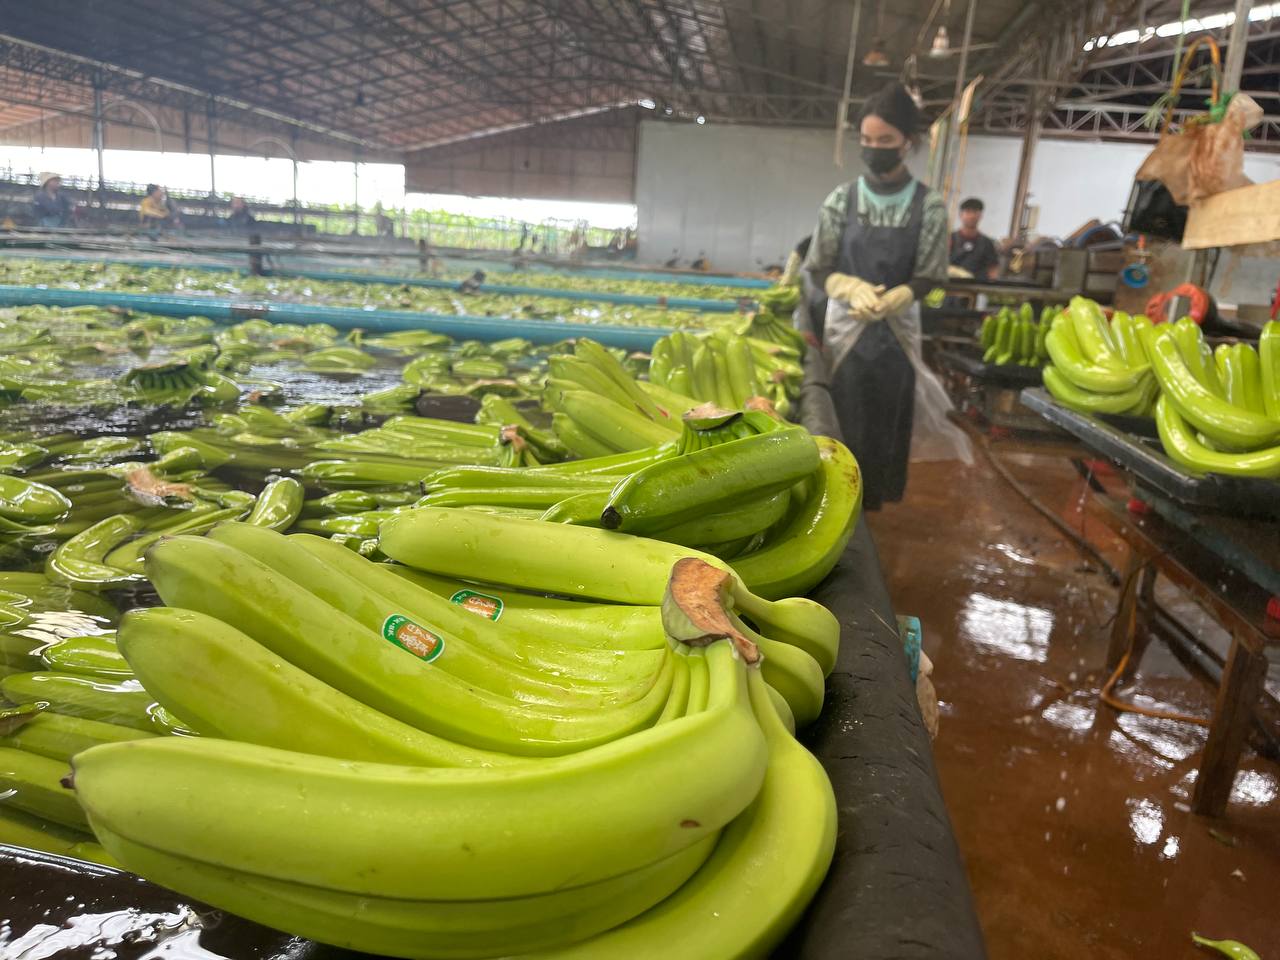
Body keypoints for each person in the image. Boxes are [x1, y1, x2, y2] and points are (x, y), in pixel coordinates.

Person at [803, 82, 948, 510]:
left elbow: (931, 274)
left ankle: (873, 511)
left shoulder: (929, 206)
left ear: (908, 142)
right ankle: (840, 506)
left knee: (886, 421)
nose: (874, 148)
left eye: (885, 141)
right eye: (867, 140)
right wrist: (847, 286)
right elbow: (818, 266)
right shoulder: (841, 201)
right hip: (845, 333)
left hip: (897, 335)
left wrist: (904, 293)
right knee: (844, 419)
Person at [949, 197, 999, 280]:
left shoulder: (987, 243)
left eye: (975, 212)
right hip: (950, 287)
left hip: (976, 290)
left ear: (980, 216)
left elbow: (993, 270)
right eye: (968, 212)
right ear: (961, 215)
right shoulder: (949, 239)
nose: (972, 216)